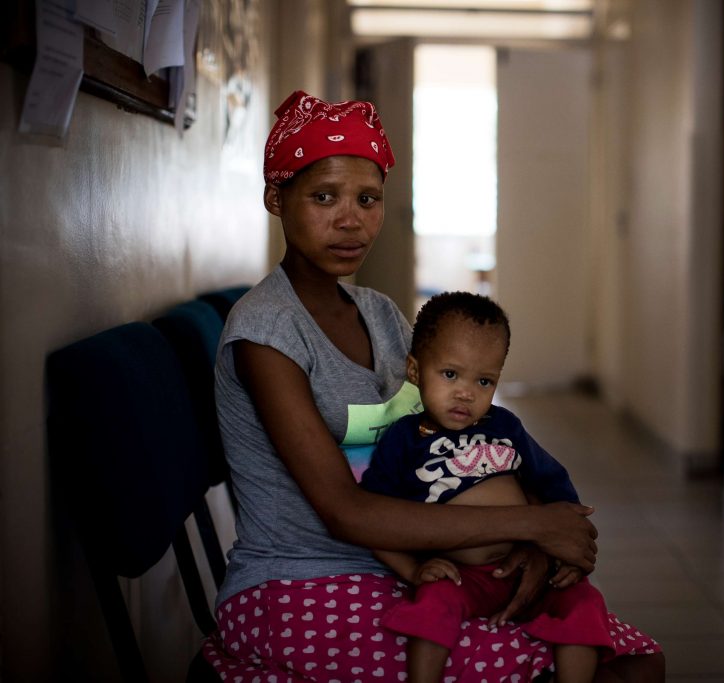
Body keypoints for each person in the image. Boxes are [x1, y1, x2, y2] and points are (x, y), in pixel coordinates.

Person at [201, 90, 666, 682]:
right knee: (600, 671)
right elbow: (345, 512)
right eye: (323, 197)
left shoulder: (380, 315)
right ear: (276, 199)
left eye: (367, 199)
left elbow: (453, 445)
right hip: (298, 581)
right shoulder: (267, 333)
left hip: (422, 564)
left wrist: (517, 546)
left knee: (636, 657)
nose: (350, 219)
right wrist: (526, 524)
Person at [360, 291, 658, 683]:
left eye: (484, 380)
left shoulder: (505, 427)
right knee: (432, 604)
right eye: (450, 374)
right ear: (415, 371)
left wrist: (560, 552)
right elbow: (373, 517)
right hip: (463, 577)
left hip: (524, 566)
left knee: (585, 600)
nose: (466, 392)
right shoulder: (405, 440)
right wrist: (414, 570)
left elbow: (553, 486)